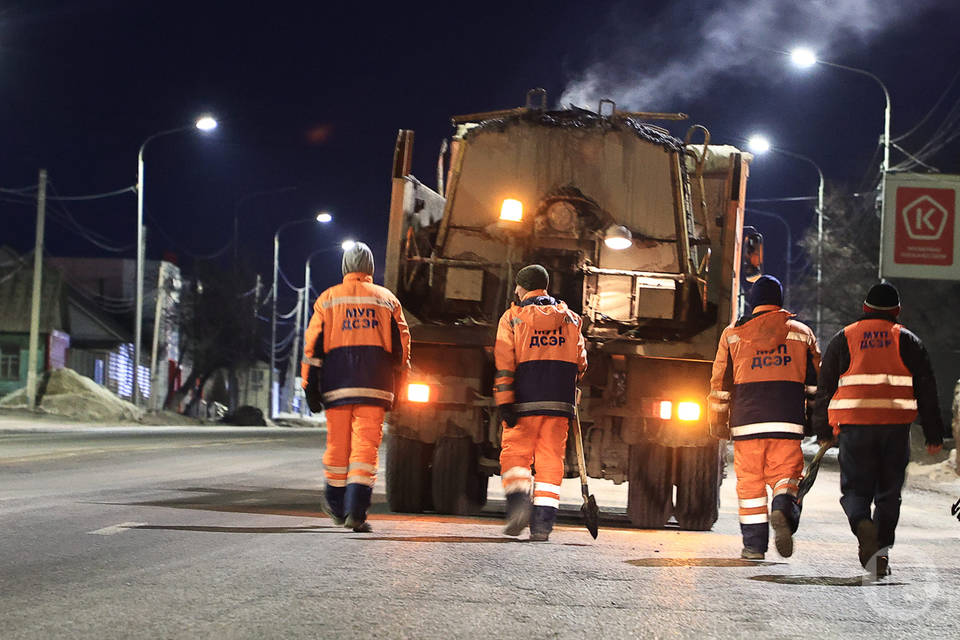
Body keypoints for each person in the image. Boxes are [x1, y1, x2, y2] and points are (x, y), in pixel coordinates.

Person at [813, 281, 944, 577]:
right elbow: (927, 388)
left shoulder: (844, 338)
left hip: (855, 429)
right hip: (895, 430)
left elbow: (826, 388)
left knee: (856, 489)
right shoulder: (908, 341)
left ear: (864, 308)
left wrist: (822, 429)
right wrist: (934, 433)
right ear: (897, 310)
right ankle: (880, 555)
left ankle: (861, 523)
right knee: (888, 494)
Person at [301, 241, 411, 532]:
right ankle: (357, 512)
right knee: (365, 449)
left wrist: (309, 386)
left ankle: (336, 506)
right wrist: (399, 384)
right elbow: (401, 349)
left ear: (346, 268)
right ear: (371, 269)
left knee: (338, 447)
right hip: (375, 386)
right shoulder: (387, 300)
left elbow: (313, 348)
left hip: (337, 386)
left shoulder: (328, 299)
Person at [709, 275, 820, 560]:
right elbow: (815, 386)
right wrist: (816, 420)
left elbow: (721, 383)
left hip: (747, 422)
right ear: (779, 301)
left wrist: (718, 421)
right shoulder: (802, 333)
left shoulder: (733, 335)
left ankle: (754, 547)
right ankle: (782, 508)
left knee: (751, 487)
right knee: (787, 476)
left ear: (754, 301)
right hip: (787, 420)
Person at [494, 264, 587, 541]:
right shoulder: (571, 319)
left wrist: (504, 400)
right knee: (550, 461)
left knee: (515, 455)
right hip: (558, 403)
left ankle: (519, 505)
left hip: (524, 400)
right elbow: (581, 361)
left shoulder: (512, 318)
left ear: (522, 288)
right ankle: (543, 525)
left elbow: (504, 364)